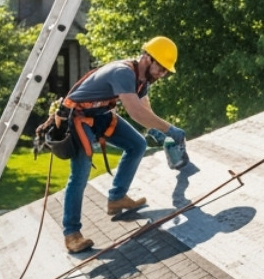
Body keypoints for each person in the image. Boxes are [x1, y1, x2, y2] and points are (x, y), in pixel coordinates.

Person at [59, 36, 186, 253]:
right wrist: (170, 129)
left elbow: (144, 109)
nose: (162, 74)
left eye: (166, 71)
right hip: (77, 117)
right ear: (148, 57)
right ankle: (71, 234)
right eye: (161, 68)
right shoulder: (123, 72)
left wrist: (156, 129)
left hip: (99, 114)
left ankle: (117, 199)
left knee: (137, 144)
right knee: (80, 173)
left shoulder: (143, 80)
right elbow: (135, 112)